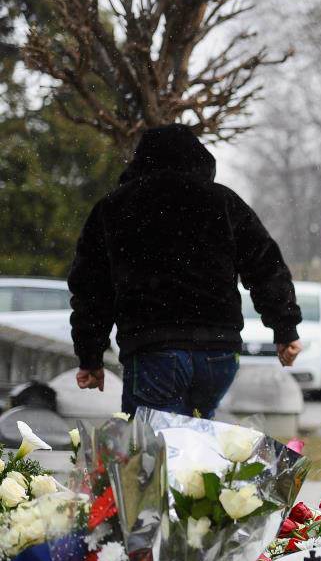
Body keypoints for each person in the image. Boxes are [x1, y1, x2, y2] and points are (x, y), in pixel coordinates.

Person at [68, 124, 303, 419]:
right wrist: (285, 328)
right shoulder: (224, 202)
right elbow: (266, 266)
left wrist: (90, 356)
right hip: (218, 352)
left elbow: (92, 288)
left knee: (155, 451)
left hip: (153, 347)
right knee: (198, 446)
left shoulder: (115, 207)